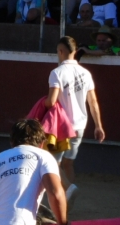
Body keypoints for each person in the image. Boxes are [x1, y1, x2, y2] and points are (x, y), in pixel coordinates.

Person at [44, 36, 106, 201]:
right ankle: (68, 196)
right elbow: (93, 101)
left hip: (61, 127)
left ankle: (67, 191)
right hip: (80, 125)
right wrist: (98, 126)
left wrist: (41, 103)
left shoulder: (57, 73)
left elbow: (51, 102)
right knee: (68, 163)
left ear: (61, 51)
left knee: (52, 163)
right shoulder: (85, 73)